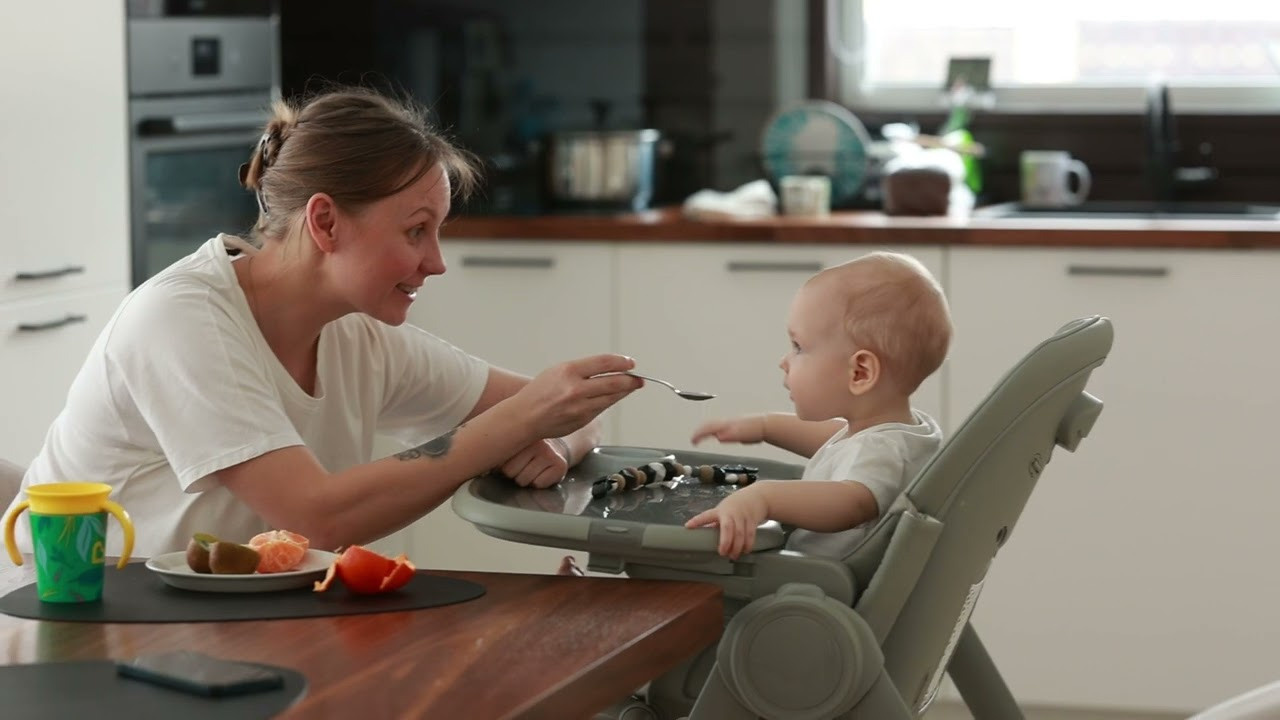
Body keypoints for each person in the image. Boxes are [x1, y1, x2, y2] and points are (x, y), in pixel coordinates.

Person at [4, 87, 641, 559]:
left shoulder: (356, 336)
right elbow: (316, 518)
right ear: (326, 222)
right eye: (416, 231)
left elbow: (569, 413)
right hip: (71, 631)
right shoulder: (182, 320)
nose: (436, 262)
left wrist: (552, 442)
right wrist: (517, 425)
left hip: (222, 631)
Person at [683, 251, 951, 560]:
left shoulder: (880, 451)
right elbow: (837, 442)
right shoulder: (901, 433)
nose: (784, 361)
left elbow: (851, 502)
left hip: (812, 583)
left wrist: (763, 497)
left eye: (798, 347)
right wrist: (765, 426)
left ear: (860, 372)